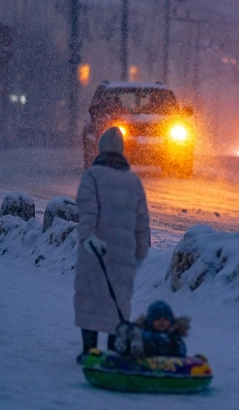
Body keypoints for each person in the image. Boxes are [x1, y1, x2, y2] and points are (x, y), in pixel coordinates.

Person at [74, 126, 151, 364]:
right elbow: (142, 221)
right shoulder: (134, 181)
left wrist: (89, 237)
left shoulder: (92, 176)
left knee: (91, 297)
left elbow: (86, 211)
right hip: (124, 255)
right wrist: (140, 253)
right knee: (118, 299)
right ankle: (113, 350)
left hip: (96, 251)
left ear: (100, 149)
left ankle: (90, 351)